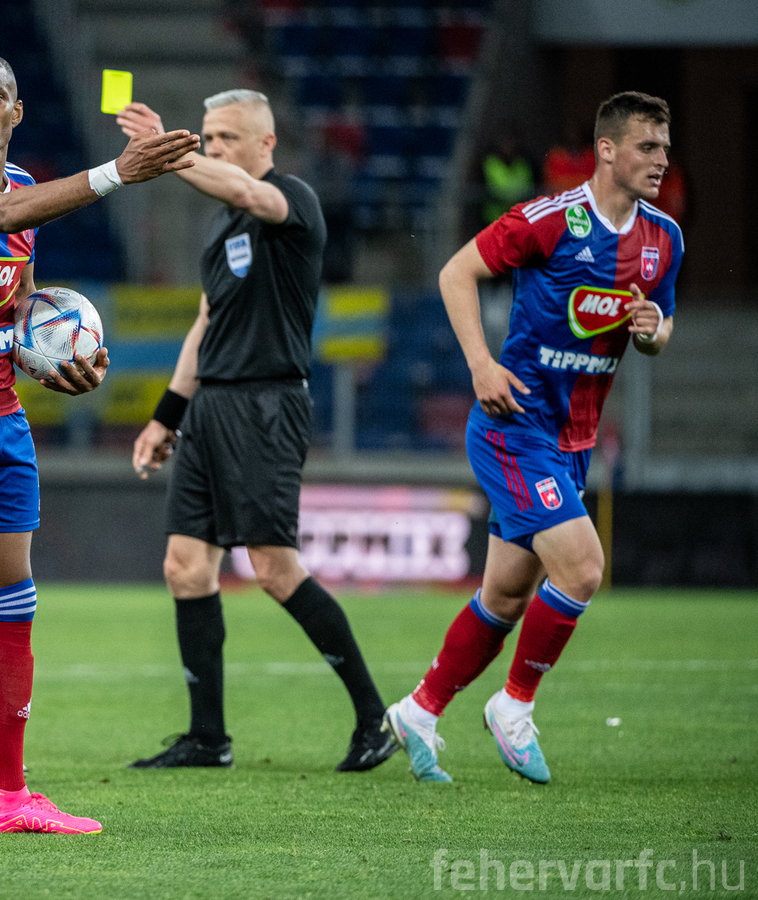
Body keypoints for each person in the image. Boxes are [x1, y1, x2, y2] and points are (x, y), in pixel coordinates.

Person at [0, 50, 198, 838]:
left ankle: (9, 796)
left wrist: (56, 361)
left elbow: (17, 302)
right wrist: (118, 173)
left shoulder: (24, 187)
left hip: (1, 415)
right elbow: (0, 219)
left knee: (14, 602)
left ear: (16, 111)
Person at [383, 92, 679, 784]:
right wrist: (481, 365)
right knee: (582, 569)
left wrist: (652, 333)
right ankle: (513, 706)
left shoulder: (663, 238)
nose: (662, 160)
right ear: (606, 150)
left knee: (506, 598)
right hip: (513, 427)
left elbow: (662, 327)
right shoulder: (550, 219)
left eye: (666, 148)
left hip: (573, 442)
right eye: (647, 146)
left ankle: (419, 711)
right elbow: (455, 272)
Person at [119, 90, 397, 774]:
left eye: (227, 137)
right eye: (207, 136)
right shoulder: (221, 224)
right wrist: (167, 415)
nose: (214, 147)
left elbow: (248, 191)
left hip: (267, 403)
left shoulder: (291, 200)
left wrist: (166, 153)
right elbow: (205, 323)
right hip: (211, 408)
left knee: (273, 569)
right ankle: (207, 738)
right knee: (185, 567)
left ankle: (375, 718)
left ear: (266, 143)